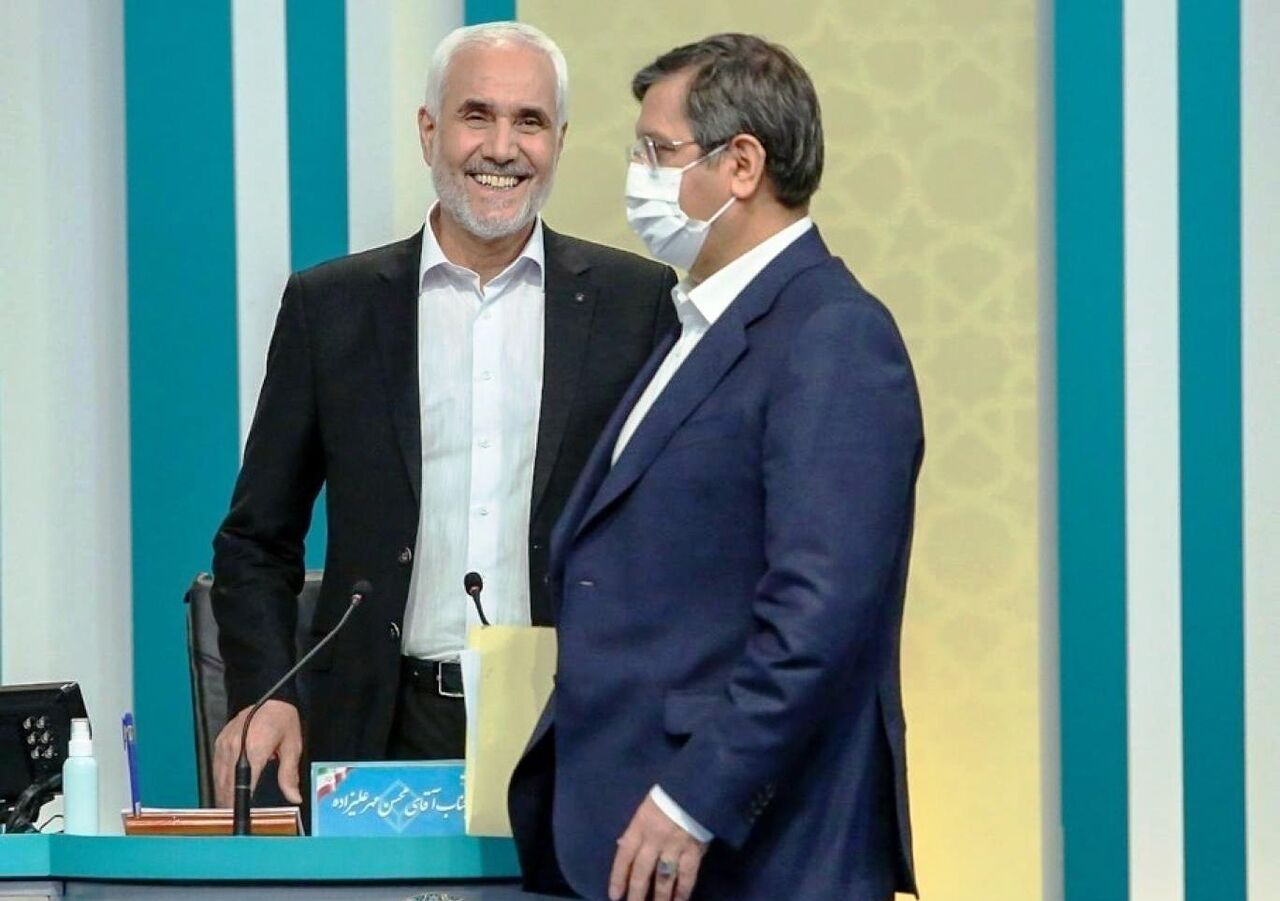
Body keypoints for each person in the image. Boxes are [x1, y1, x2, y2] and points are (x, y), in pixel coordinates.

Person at [209, 22, 677, 809]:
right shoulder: (332, 309)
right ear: (429, 131)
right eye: (476, 115)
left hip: (571, 726)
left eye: (530, 122)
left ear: (559, 142)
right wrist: (267, 692)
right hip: (378, 728)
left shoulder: (636, 306)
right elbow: (256, 540)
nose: (502, 147)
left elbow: (674, 538)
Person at [509, 33, 923, 901]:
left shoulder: (834, 335)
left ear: (741, 165)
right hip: (627, 828)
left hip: (749, 846)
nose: (638, 176)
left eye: (657, 152)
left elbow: (817, 615)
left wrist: (695, 798)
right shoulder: (694, 326)